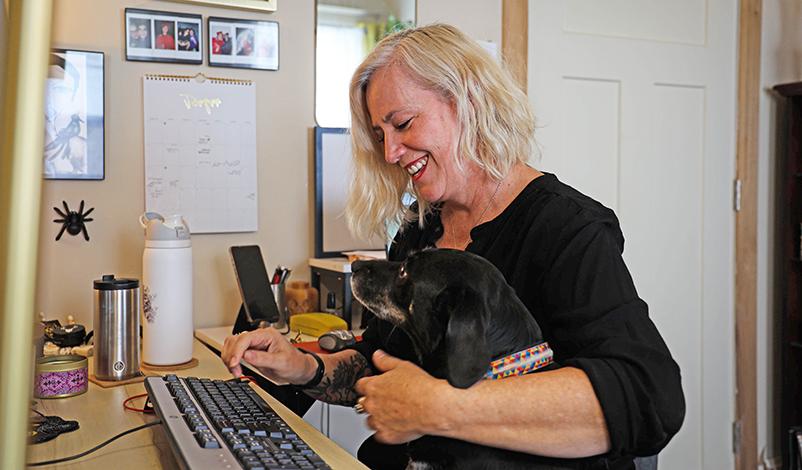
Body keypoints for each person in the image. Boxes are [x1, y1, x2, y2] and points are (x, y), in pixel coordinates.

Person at [221, 23, 684, 469]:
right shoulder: (420, 229)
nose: (390, 153)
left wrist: (441, 407)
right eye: (381, 136)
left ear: (467, 100)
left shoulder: (566, 229)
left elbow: (647, 397)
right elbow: (383, 362)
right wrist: (302, 367)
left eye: (402, 124)